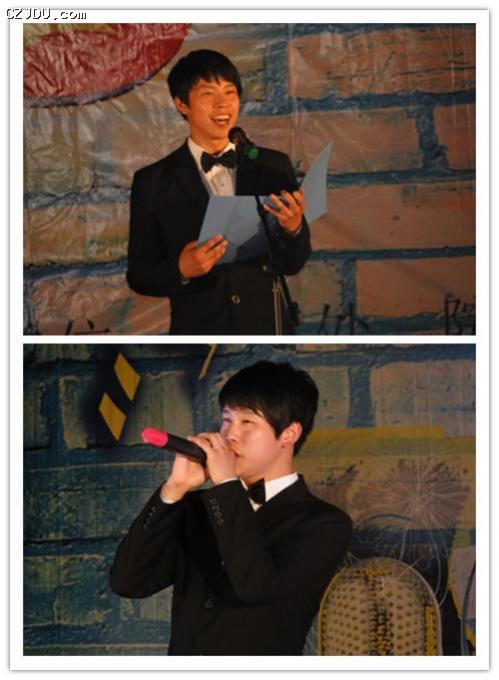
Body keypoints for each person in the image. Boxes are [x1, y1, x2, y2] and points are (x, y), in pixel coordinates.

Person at [109, 361, 352, 655]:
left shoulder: (325, 524)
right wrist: (173, 490)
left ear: (289, 433)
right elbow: (128, 582)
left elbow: (257, 586)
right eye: (226, 419)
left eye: (247, 422)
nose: (230, 435)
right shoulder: (199, 507)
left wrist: (226, 484)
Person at [126, 50, 311, 334]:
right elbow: (139, 275)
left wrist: (294, 228)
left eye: (230, 92)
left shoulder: (271, 167)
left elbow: (293, 263)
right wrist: (181, 269)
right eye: (208, 94)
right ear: (182, 104)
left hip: (268, 331)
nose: (223, 103)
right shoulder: (153, 181)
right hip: (201, 337)